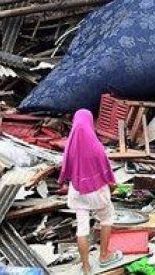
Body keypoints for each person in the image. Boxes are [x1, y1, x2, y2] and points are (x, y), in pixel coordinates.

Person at [58, 109, 122, 274]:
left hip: (77, 191)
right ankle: (104, 256)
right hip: (96, 190)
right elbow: (105, 168)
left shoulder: (70, 144)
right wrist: (112, 183)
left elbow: (65, 167)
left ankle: (86, 267)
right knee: (107, 218)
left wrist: (62, 182)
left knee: (82, 228)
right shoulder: (95, 145)